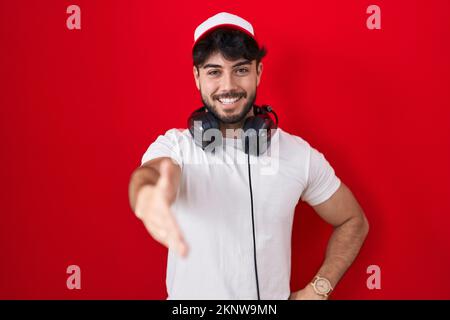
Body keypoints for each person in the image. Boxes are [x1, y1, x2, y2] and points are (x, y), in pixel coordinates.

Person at [128, 12, 369, 300]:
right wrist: (147, 193)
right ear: (197, 77)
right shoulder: (175, 147)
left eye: (240, 69)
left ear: (259, 72)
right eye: (214, 71)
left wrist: (318, 290)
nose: (228, 85)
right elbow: (152, 174)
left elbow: (354, 220)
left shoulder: (298, 154)